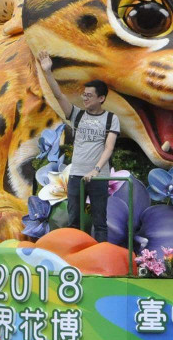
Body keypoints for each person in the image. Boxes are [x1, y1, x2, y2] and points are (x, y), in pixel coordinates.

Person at [37, 50, 120, 243]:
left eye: (89, 95)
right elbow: (58, 96)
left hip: (99, 177)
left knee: (100, 221)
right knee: (73, 220)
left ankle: (101, 260)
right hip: (76, 176)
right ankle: (74, 260)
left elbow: (109, 147)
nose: (85, 98)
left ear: (101, 98)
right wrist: (48, 72)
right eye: (84, 95)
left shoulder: (110, 119)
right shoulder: (78, 115)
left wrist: (96, 170)